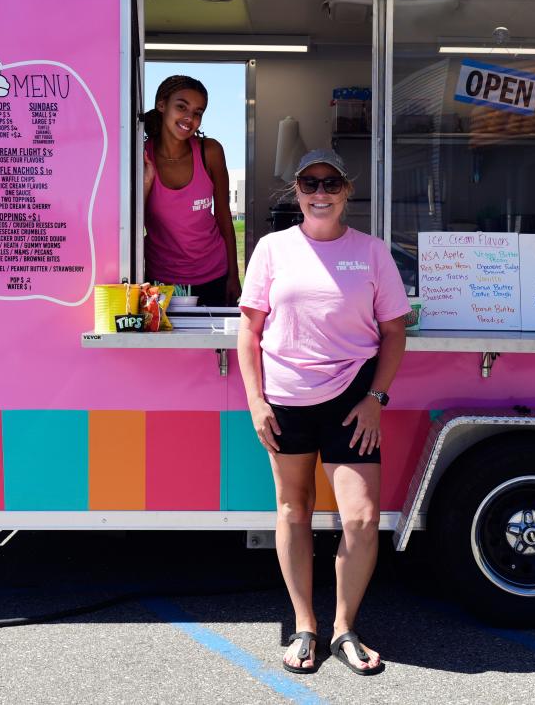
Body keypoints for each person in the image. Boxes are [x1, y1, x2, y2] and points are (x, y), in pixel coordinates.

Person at [237, 149, 410, 676]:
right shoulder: (271, 249)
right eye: (309, 183)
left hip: (353, 398)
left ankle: (344, 629)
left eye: (329, 182)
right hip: (287, 396)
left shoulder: (373, 252)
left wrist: (376, 399)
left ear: (346, 190)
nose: (319, 192)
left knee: (359, 519)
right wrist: (255, 399)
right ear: (296, 190)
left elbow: (394, 332)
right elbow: (250, 330)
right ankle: (305, 626)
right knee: (294, 510)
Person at [142, 75, 240, 306]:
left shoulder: (210, 152)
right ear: (162, 105)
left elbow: (224, 216)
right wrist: (147, 183)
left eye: (198, 112)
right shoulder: (140, 155)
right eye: (181, 107)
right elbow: (129, 224)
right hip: (161, 280)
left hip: (215, 274)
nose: (190, 118)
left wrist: (233, 276)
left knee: (214, 343)